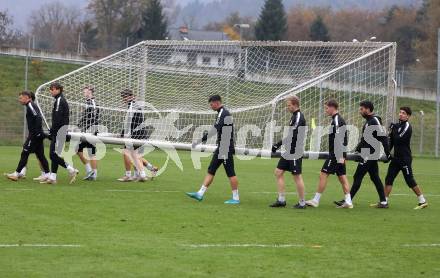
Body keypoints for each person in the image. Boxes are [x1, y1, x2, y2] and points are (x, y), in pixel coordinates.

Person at [335, 100, 391, 208]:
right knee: (375, 177)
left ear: (368, 109)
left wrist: (387, 153)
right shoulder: (369, 121)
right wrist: (358, 149)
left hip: (370, 153)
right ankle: (383, 202)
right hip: (367, 153)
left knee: (358, 176)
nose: (360, 111)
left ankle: (348, 200)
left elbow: (383, 137)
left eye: (362, 109)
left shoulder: (374, 120)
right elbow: (365, 139)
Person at [186, 95, 239, 204]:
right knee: (211, 170)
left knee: (230, 173)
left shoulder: (222, 113)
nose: (210, 107)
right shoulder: (222, 113)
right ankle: (200, 193)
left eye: (211, 104)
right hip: (222, 147)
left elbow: (214, 130)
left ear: (216, 102)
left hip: (225, 147)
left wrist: (199, 140)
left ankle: (236, 198)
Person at [306, 99, 353, 208]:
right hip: (340, 154)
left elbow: (340, 138)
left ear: (333, 107)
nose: (325, 110)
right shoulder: (338, 119)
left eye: (326, 108)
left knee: (323, 174)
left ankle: (316, 200)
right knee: (342, 177)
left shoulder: (337, 120)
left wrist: (340, 155)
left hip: (336, 154)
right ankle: (349, 201)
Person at [384, 107, 428, 210]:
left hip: (405, 158)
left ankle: (422, 201)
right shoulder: (396, 126)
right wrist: (388, 154)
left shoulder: (407, 126)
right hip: (396, 158)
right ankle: (384, 201)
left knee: (409, 180)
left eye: (403, 113)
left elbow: (399, 139)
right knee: (389, 179)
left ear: (408, 116)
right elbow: (392, 142)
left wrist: (392, 130)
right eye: (400, 112)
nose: (400, 114)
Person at [270, 95, 307, 209]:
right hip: (289, 150)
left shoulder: (299, 116)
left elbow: (293, 135)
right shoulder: (294, 116)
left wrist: (278, 144)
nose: (288, 107)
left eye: (289, 105)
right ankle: (281, 200)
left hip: (295, 151)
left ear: (295, 105)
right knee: (278, 172)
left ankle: (302, 202)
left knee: (297, 176)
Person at [5, 91, 50, 181]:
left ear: (28, 98)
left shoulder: (30, 105)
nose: (19, 100)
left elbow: (38, 117)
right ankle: (48, 174)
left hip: (34, 135)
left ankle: (17, 174)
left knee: (25, 153)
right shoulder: (30, 105)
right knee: (40, 155)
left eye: (21, 98)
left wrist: (37, 132)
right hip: (37, 134)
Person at [41, 82, 79, 184]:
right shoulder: (59, 100)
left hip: (59, 132)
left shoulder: (59, 101)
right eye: (50, 89)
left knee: (53, 155)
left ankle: (71, 169)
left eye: (52, 89)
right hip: (60, 131)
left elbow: (57, 119)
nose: (51, 91)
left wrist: (52, 132)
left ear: (58, 90)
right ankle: (53, 177)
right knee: (55, 154)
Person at [119, 89, 149, 182]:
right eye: (123, 97)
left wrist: (124, 134)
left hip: (136, 135)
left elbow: (130, 123)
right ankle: (140, 174)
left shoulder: (132, 106)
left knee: (129, 154)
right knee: (134, 155)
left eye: (125, 96)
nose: (124, 99)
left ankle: (133, 175)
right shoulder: (133, 105)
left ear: (131, 96)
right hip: (139, 134)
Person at [77, 86, 99, 181]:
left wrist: (91, 129)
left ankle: (93, 173)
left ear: (90, 92)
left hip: (90, 131)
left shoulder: (92, 102)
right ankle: (90, 171)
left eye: (85, 91)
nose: (83, 92)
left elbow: (93, 117)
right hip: (86, 130)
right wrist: (80, 125)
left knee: (91, 152)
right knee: (78, 149)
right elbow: (86, 116)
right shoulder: (88, 102)